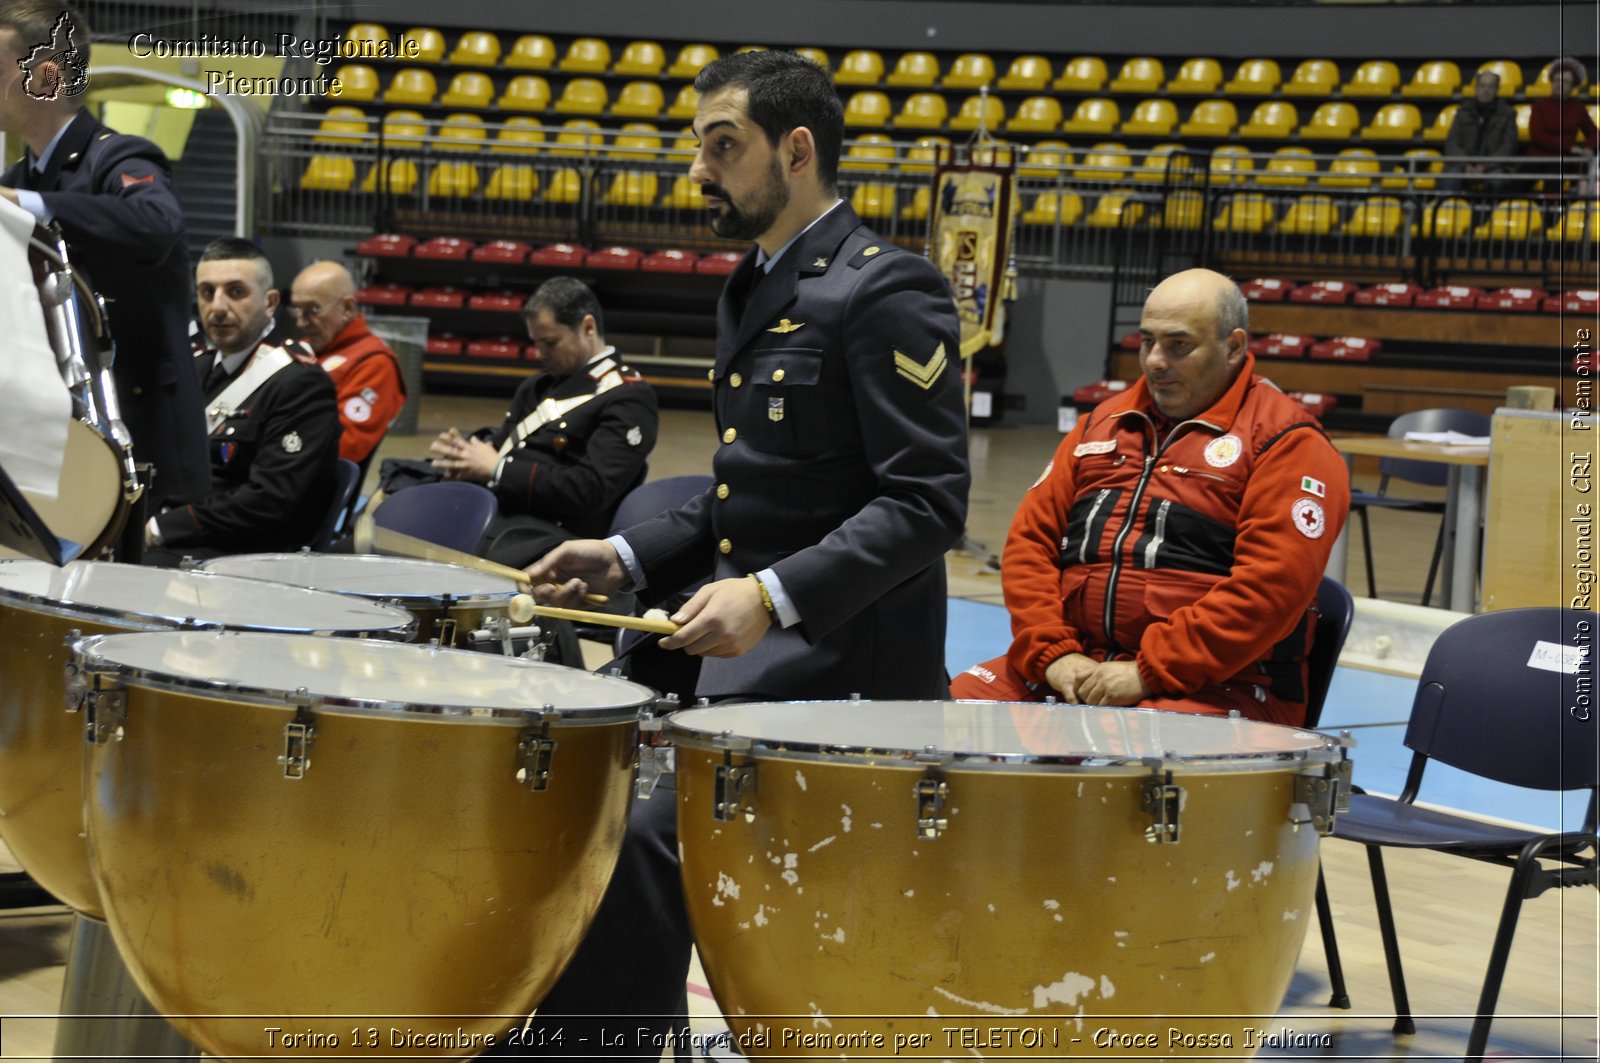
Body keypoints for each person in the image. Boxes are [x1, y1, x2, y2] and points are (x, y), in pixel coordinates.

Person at [501, 50, 969, 1059]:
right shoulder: (757, 284)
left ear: (795, 152)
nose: (701, 174)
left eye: (725, 148)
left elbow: (928, 504)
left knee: (633, 838)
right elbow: (744, 492)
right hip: (740, 662)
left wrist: (768, 595)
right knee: (560, 790)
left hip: (841, 678)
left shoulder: (885, 290)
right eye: (701, 148)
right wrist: (622, 554)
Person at [950, 268, 1350, 728]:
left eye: (1179, 345)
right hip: (1077, 668)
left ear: (1234, 347)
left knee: (1123, 763)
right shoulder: (1102, 425)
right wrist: (1053, 653)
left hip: (1223, 685)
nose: (1155, 361)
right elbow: (1029, 545)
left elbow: (1268, 592)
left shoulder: (1288, 444)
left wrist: (1148, 671)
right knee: (950, 723)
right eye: (1146, 342)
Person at [0, 0, 208, 536]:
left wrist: (29, 207)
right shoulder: (18, 180)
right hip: (52, 433)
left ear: (46, 76)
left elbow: (155, 223)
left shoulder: (120, 157)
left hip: (138, 444)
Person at [419, 276, 658, 568]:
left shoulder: (628, 397)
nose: (539, 354)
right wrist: (463, 461)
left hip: (549, 537)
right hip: (499, 517)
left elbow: (591, 491)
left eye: (550, 343)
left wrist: (497, 470)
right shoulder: (538, 386)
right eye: (535, 343)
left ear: (588, 327)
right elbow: (503, 448)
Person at [142, 239, 340, 566]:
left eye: (235, 292)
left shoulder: (300, 383)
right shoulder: (197, 367)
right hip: (181, 536)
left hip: (244, 552)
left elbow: (268, 500)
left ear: (270, 302)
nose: (217, 306)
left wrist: (160, 528)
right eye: (207, 292)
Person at [288, 260, 406, 468]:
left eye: (313, 310)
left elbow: (347, 446)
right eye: (297, 310)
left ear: (347, 307)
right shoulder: (299, 348)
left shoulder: (374, 363)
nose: (301, 322)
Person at [1527, 57, 1598, 193]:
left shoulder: (1578, 108)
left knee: (1555, 181)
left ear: (1573, 86)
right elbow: (1537, 136)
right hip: (1538, 157)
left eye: (1565, 82)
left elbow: (1593, 132)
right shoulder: (1539, 107)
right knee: (1515, 186)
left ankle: (1553, 213)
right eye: (1556, 80)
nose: (1559, 84)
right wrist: (1570, 147)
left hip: (1564, 160)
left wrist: (1589, 148)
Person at [1442, 70, 1518, 196]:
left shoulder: (1508, 113)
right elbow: (1452, 143)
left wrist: (1485, 166)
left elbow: (1508, 147)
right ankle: (1448, 215)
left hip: (1494, 166)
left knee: (1497, 181)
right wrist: (1465, 165)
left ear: (1497, 89)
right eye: (1482, 86)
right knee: (1450, 180)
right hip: (1463, 165)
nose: (1486, 90)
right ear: (1476, 88)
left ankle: (1492, 215)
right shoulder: (1463, 111)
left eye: (1490, 86)